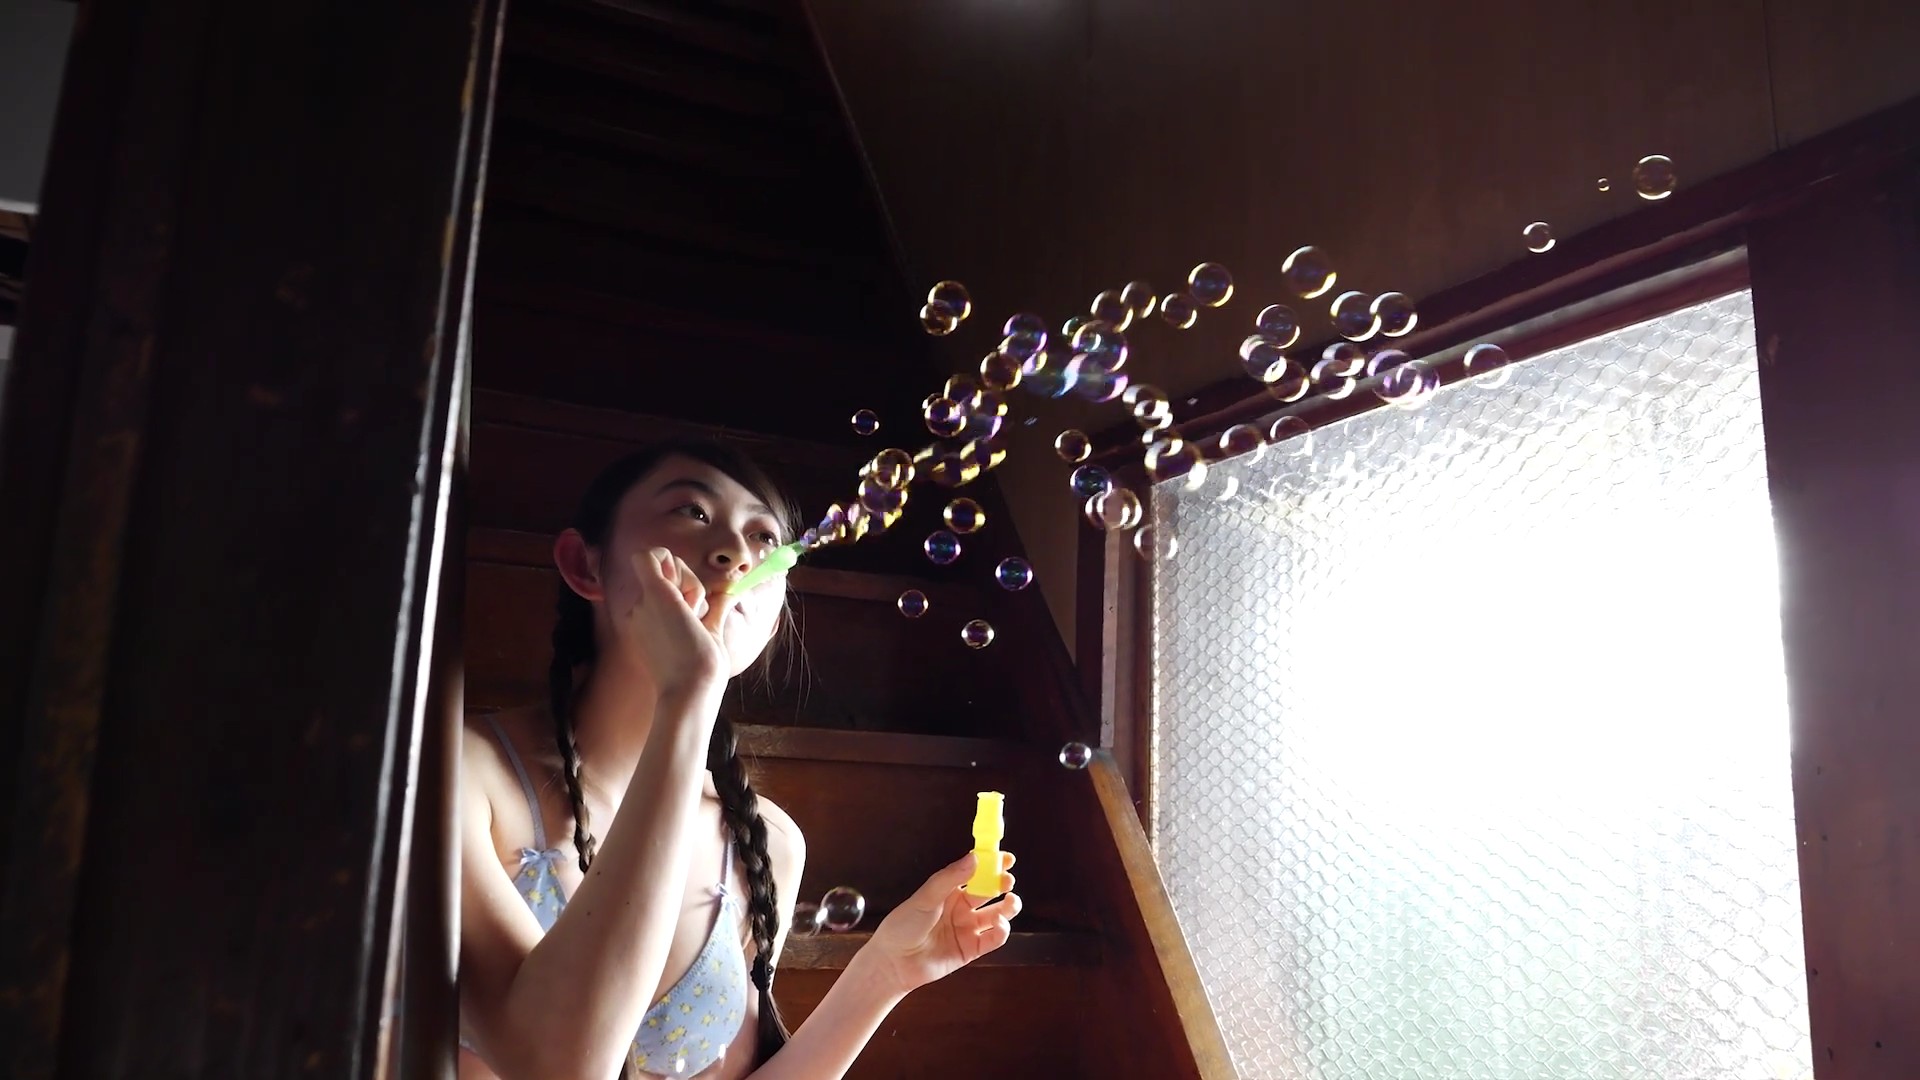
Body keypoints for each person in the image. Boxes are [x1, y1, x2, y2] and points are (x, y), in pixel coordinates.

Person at [457, 440, 1021, 1080]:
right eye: (692, 512)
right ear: (584, 566)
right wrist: (687, 692)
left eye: (764, 537)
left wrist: (886, 970)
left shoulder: (767, 842)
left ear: (773, 615)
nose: (737, 553)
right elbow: (555, 1067)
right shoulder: (459, 776)